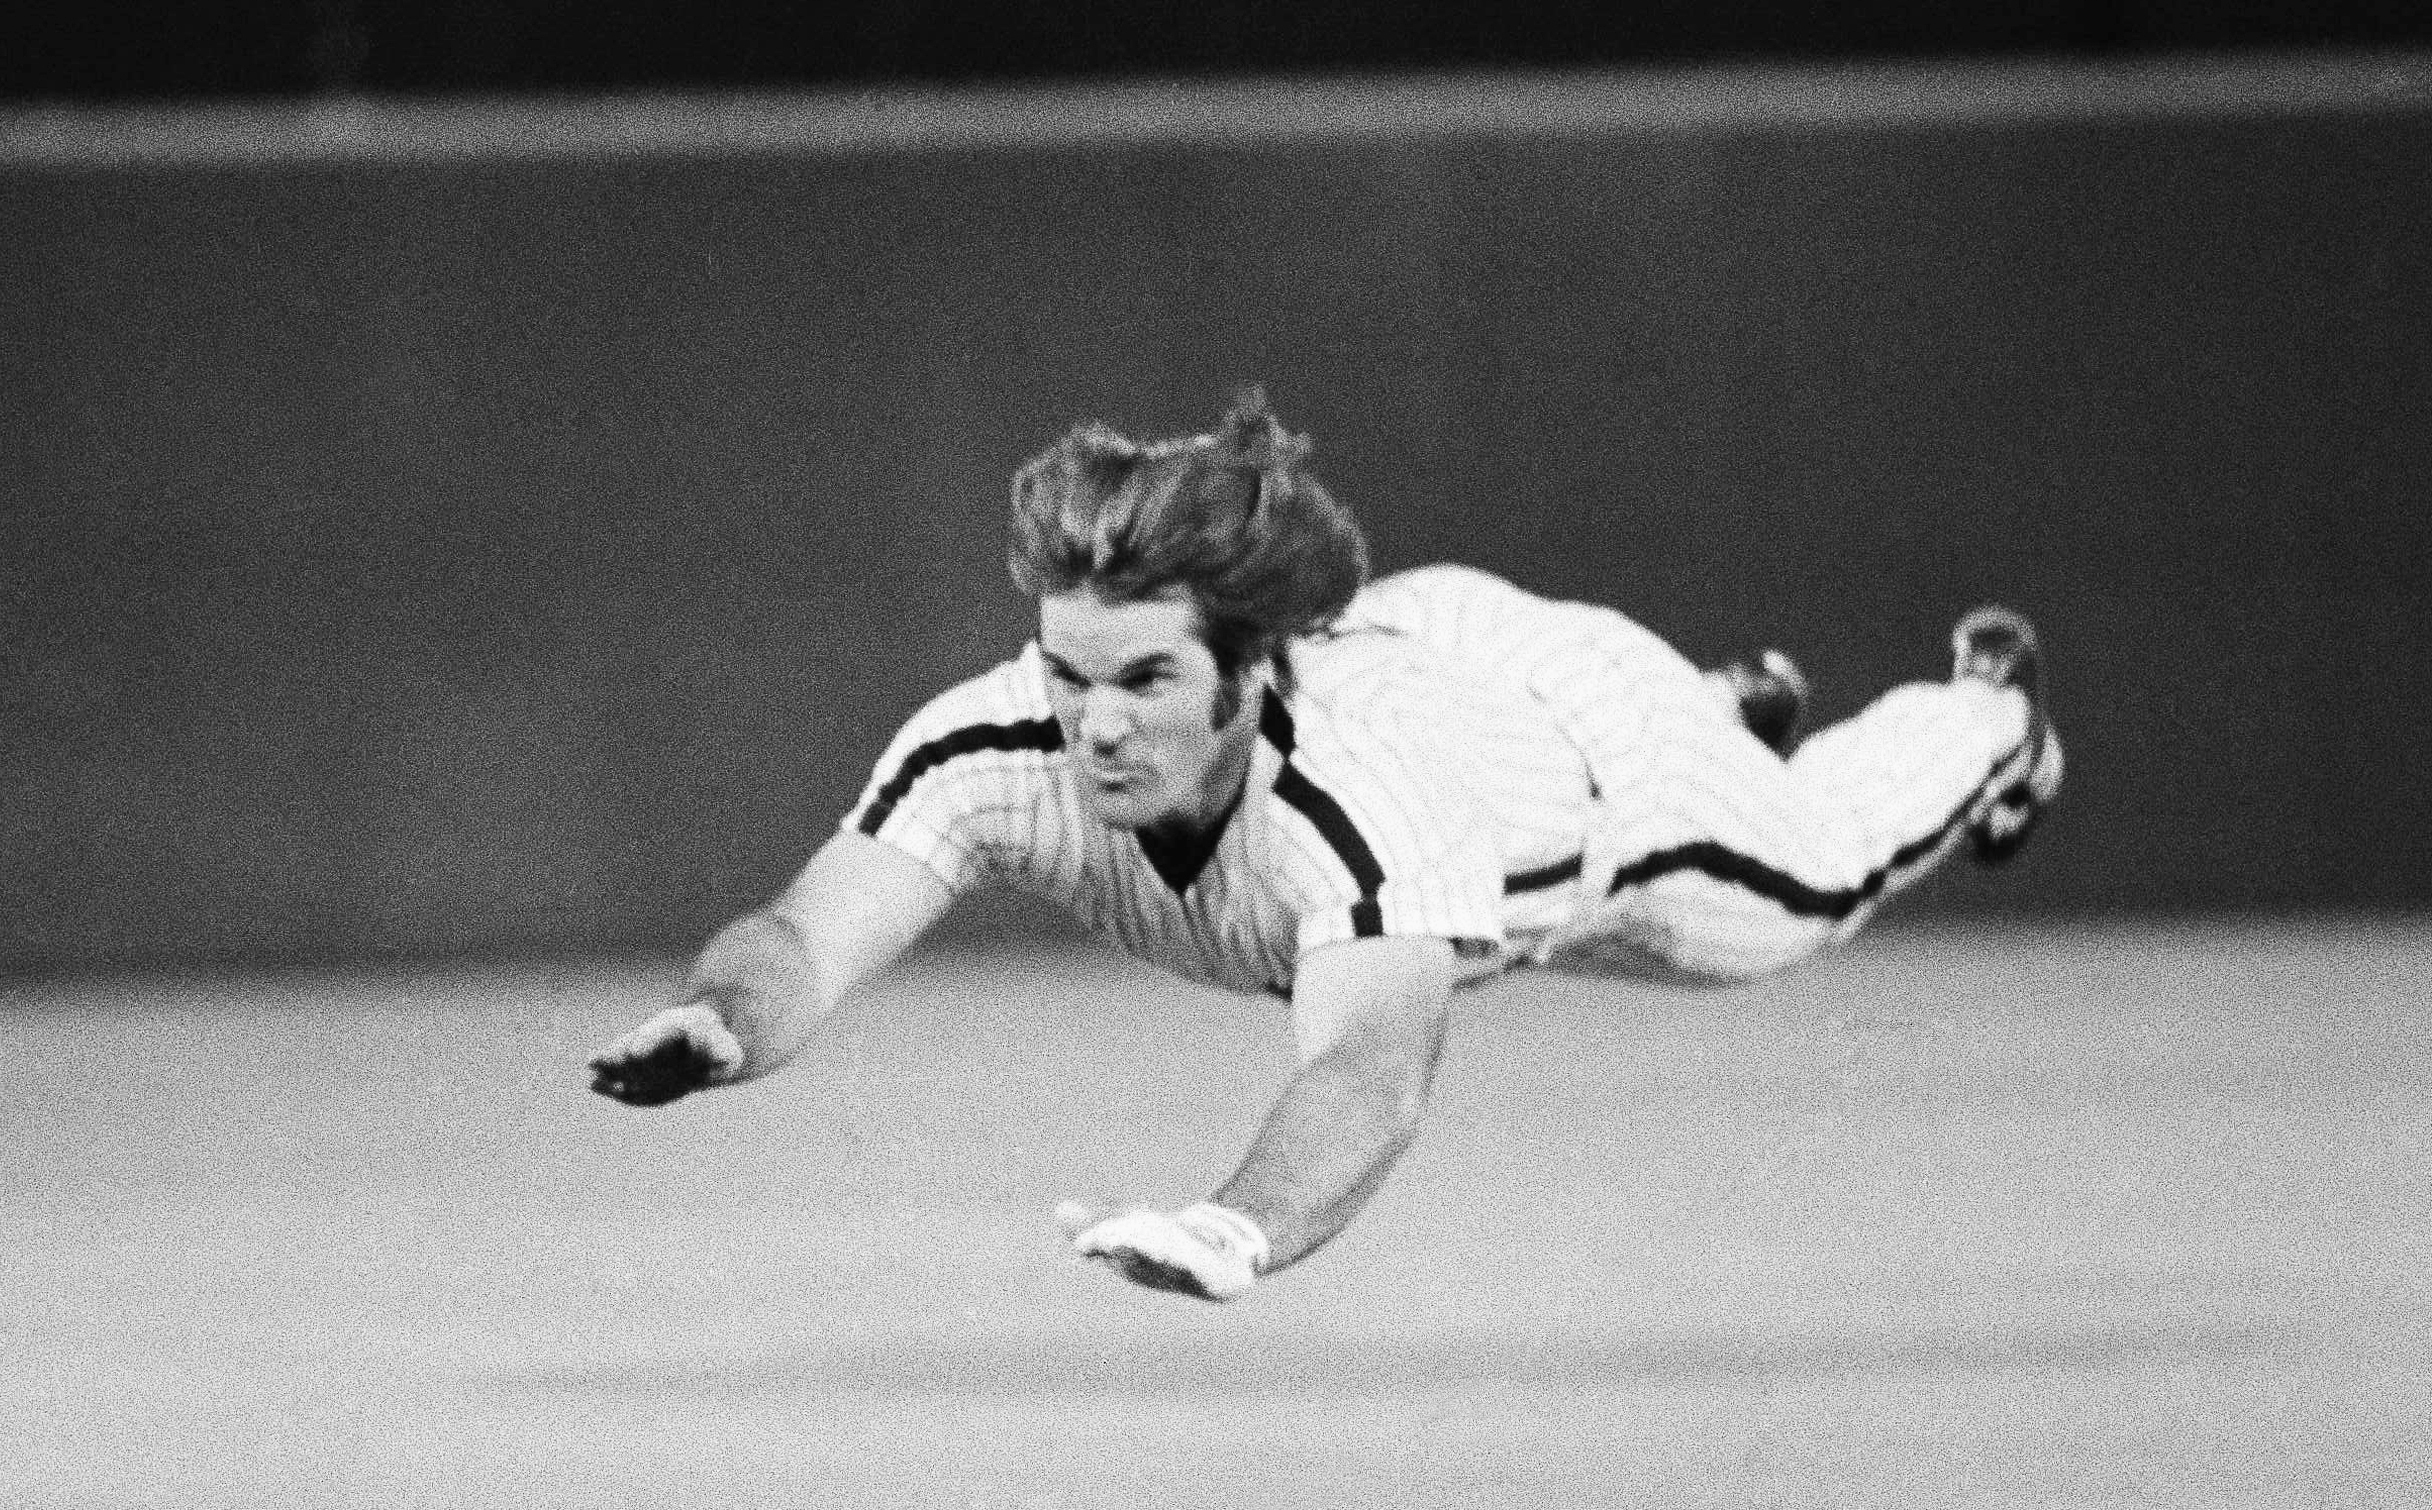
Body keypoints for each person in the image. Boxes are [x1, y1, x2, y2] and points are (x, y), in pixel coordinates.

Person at [588, 393, 2061, 1300]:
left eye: (1147, 680)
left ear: (1252, 672)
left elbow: (1368, 1070)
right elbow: (806, 929)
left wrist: (1237, 1228)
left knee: (1817, 882)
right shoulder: (997, 745)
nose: (1092, 725)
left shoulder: (1355, 806)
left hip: (1599, 766)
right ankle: (1732, 701)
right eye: (1069, 673)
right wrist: (723, 1021)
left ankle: (1983, 720)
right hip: (1439, 657)